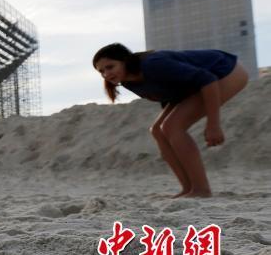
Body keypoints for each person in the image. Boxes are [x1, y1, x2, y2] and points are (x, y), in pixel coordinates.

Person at [92, 43, 248, 198]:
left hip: (226, 70)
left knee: (173, 127)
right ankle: (188, 189)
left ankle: (201, 189)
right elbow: (168, 92)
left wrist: (213, 125)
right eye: (101, 71)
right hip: (195, 86)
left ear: (125, 60)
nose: (106, 74)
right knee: (158, 130)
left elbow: (207, 79)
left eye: (110, 67)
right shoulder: (128, 81)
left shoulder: (153, 64)